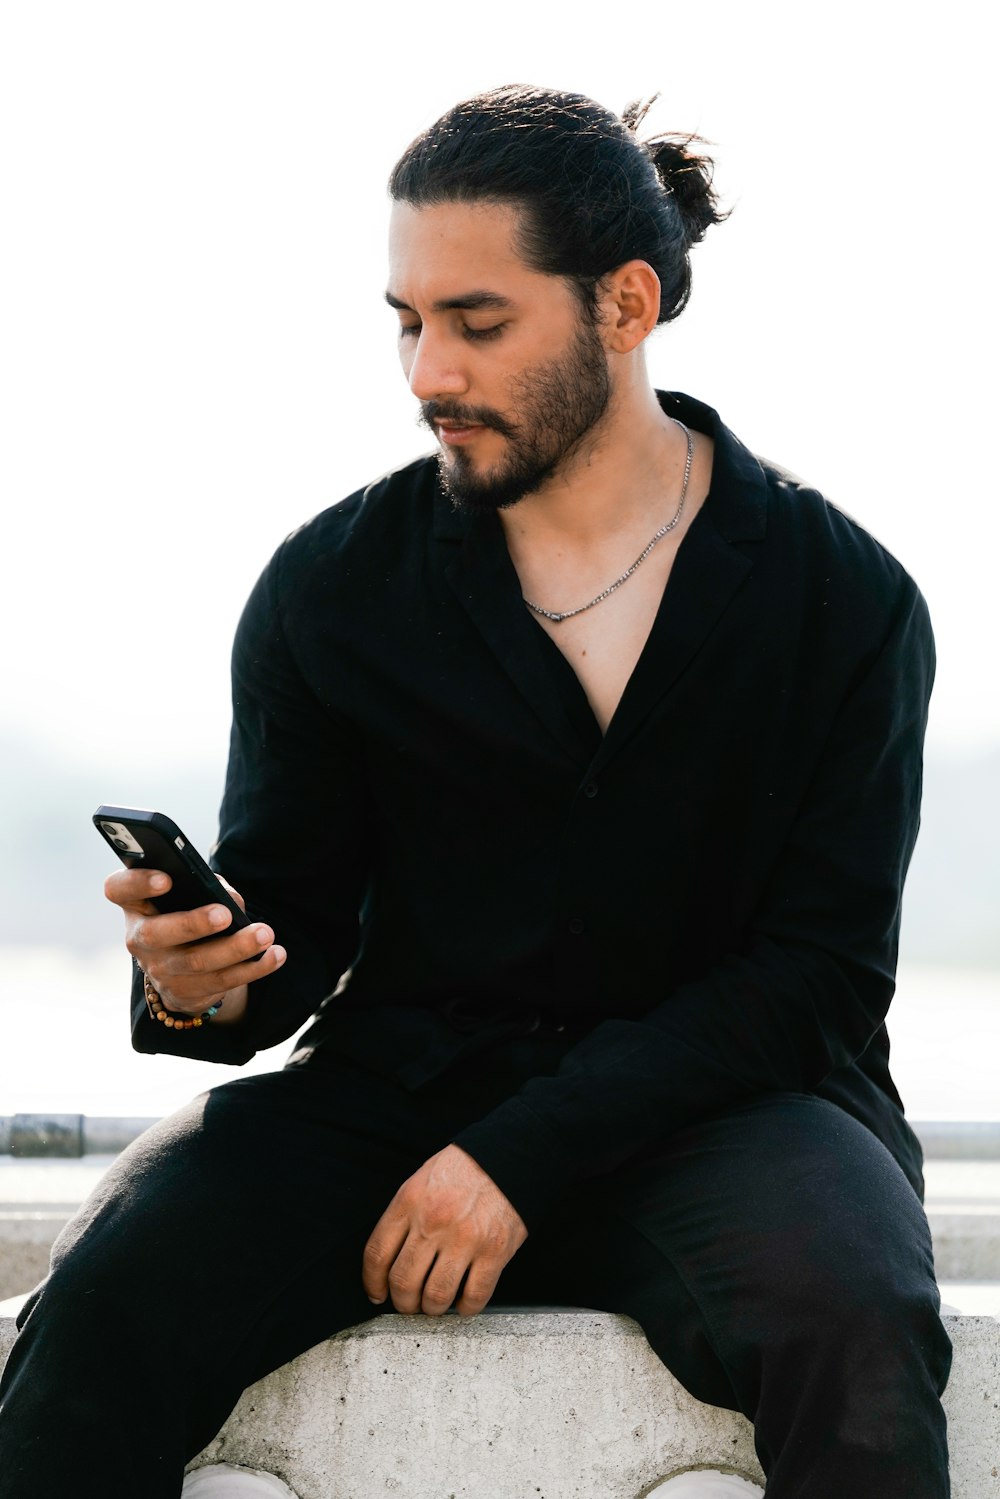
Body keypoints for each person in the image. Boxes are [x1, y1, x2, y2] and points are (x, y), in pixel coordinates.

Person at [0, 85, 951, 1498]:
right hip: (398, 1092)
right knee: (100, 1307)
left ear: (623, 306)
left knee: (856, 1325)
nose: (426, 369)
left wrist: (513, 1161)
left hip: (735, 1112)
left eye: (478, 321)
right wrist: (204, 983)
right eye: (406, 319)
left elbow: (813, 975)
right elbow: (297, 927)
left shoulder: (842, 596)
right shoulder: (335, 587)